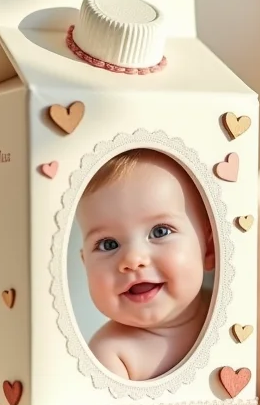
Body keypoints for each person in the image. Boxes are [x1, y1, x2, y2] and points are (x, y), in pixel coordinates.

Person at [76, 148, 215, 381]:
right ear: (85, 264)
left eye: (160, 232)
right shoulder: (111, 355)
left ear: (209, 249)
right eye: (108, 244)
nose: (133, 259)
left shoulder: (231, 314)